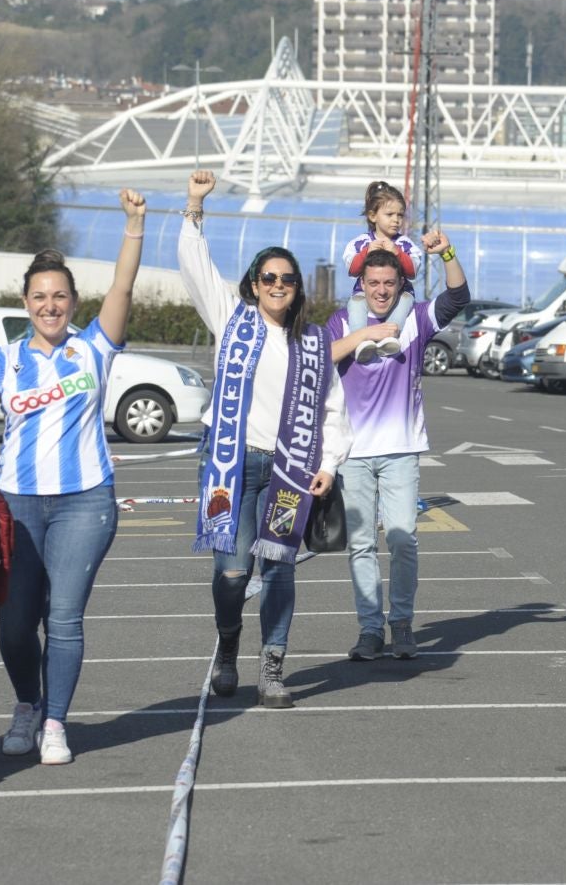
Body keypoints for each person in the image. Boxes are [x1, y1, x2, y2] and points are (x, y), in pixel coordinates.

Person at [0, 188, 147, 764]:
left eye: (60, 296)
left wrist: (133, 225)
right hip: (17, 506)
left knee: (65, 618)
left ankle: (54, 722)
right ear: (26, 302)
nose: (50, 305)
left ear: (74, 300)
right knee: (16, 627)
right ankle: (27, 702)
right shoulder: (9, 358)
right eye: (39, 297)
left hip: (85, 502)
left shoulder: (95, 347)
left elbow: (122, 288)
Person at [179, 170, 352, 708]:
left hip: (290, 471)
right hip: (230, 464)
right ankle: (228, 644)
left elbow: (333, 409)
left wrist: (329, 462)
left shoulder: (314, 343)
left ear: (297, 288)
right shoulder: (232, 319)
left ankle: (273, 666)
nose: (279, 285)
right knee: (233, 573)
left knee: (278, 570)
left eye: (288, 279)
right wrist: (194, 206)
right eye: (269, 277)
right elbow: (195, 267)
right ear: (254, 283)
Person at [327, 234, 470, 661]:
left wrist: (446, 253)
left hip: (401, 451)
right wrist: (363, 335)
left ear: (399, 283)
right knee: (361, 545)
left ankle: (402, 623)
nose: (382, 290)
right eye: (374, 282)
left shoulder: (417, 319)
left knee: (404, 541)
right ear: (362, 283)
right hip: (353, 453)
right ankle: (370, 629)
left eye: (389, 282)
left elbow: (459, 295)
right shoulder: (343, 321)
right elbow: (319, 358)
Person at [343, 180, 423, 363]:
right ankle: (359, 341)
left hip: (400, 294)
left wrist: (397, 253)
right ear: (373, 216)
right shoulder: (360, 242)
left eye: (400, 215)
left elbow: (412, 272)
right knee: (355, 305)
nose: (396, 220)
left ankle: (389, 338)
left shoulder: (405, 244)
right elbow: (352, 270)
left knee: (405, 302)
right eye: (390, 214)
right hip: (364, 294)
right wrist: (366, 252)